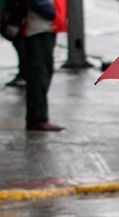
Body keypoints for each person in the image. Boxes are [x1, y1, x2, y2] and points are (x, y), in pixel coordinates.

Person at [23, 0, 65, 131]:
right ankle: (37, 118)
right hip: (39, 29)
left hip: (44, 27)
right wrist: (53, 13)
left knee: (41, 73)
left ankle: (38, 117)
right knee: (39, 74)